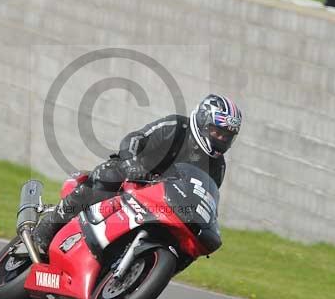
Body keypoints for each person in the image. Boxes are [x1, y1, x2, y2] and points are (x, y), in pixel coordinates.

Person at [33, 94, 243, 254]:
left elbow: (204, 197)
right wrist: (132, 161)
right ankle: (50, 225)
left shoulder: (217, 167)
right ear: (203, 122)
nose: (220, 139)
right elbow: (135, 138)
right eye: (217, 131)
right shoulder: (177, 127)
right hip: (133, 178)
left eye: (226, 136)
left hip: (162, 203)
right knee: (109, 175)